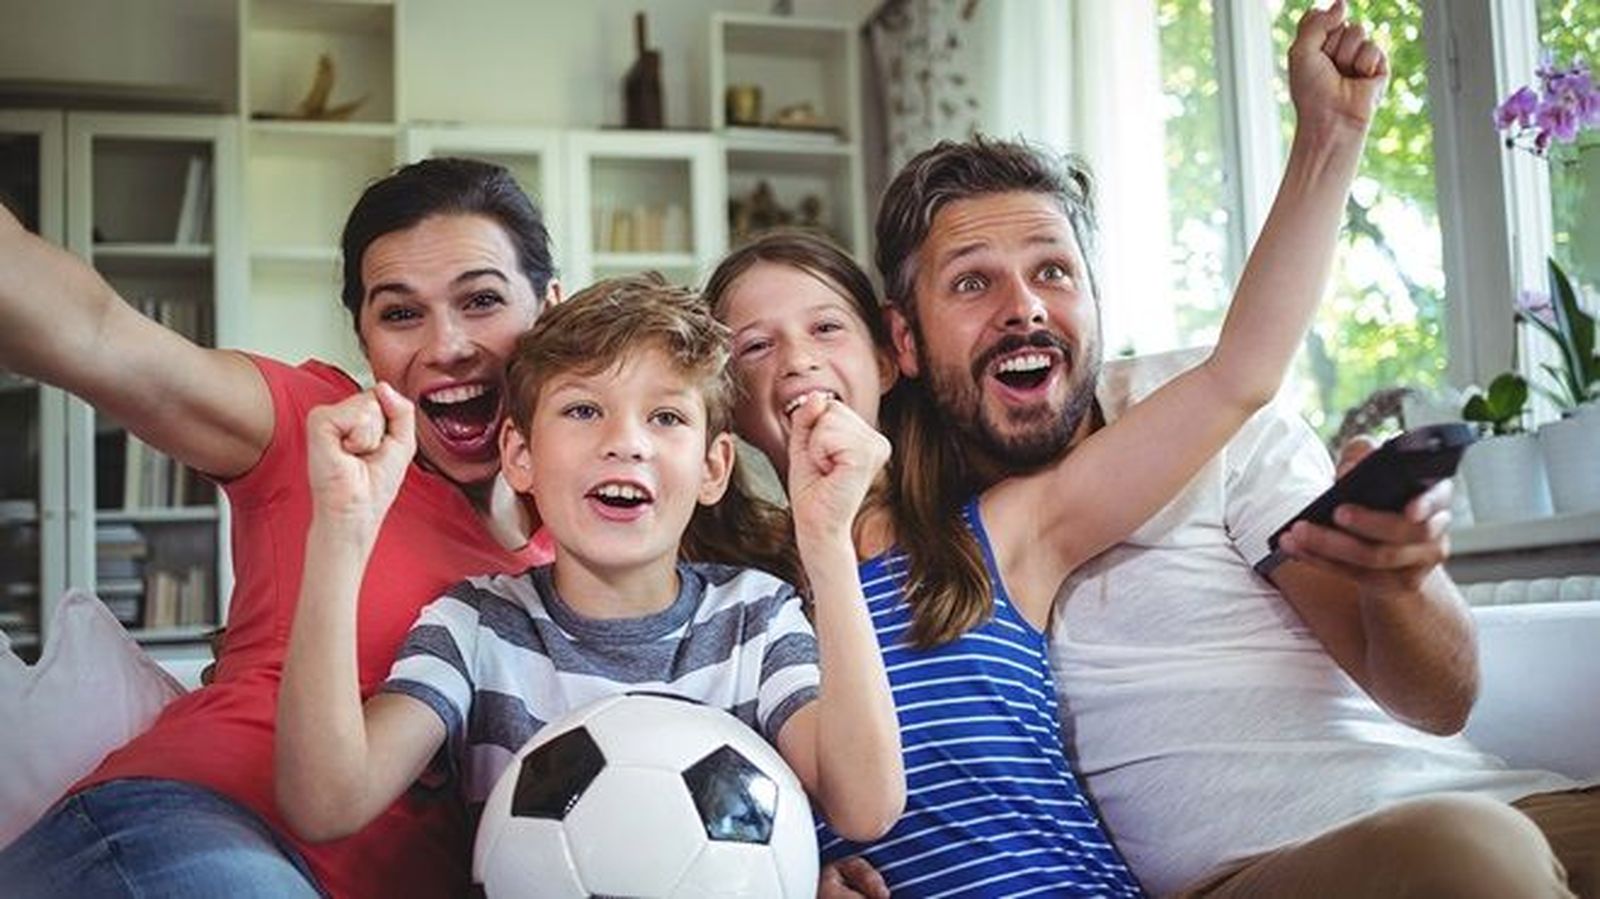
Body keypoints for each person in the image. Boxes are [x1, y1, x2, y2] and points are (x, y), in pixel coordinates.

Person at [831, 9, 1600, 899]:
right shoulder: (905, 539)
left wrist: (1400, 581)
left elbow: (1437, 703)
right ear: (906, 340)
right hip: (1282, 869)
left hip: (1510, 807)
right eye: (972, 281)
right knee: (1470, 853)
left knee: (1477, 843)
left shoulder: (1199, 410)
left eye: (1052, 272)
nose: (1026, 308)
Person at [704, 5, 1386, 895]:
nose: (795, 358)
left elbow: (1239, 374)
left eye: (825, 327)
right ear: (721, 401)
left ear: (887, 355)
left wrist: (1327, 140)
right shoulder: (724, 606)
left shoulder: (998, 532)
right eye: (754, 346)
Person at [0, 157, 559, 898]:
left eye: (481, 300)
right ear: (365, 341)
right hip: (187, 832)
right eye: (399, 313)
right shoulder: (315, 428)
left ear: (550, 309)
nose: (446, 343)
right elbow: (95, 332)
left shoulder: (582, 538)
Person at [274, 275, 904, 850]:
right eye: (582, 411)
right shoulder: (474, 627)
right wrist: (342, 528)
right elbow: (326, 805)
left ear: (713, 468)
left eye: (665, 417)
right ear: (520, 456)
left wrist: (828, 545)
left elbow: (865, 807)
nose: (626, 443)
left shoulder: (756, 617)